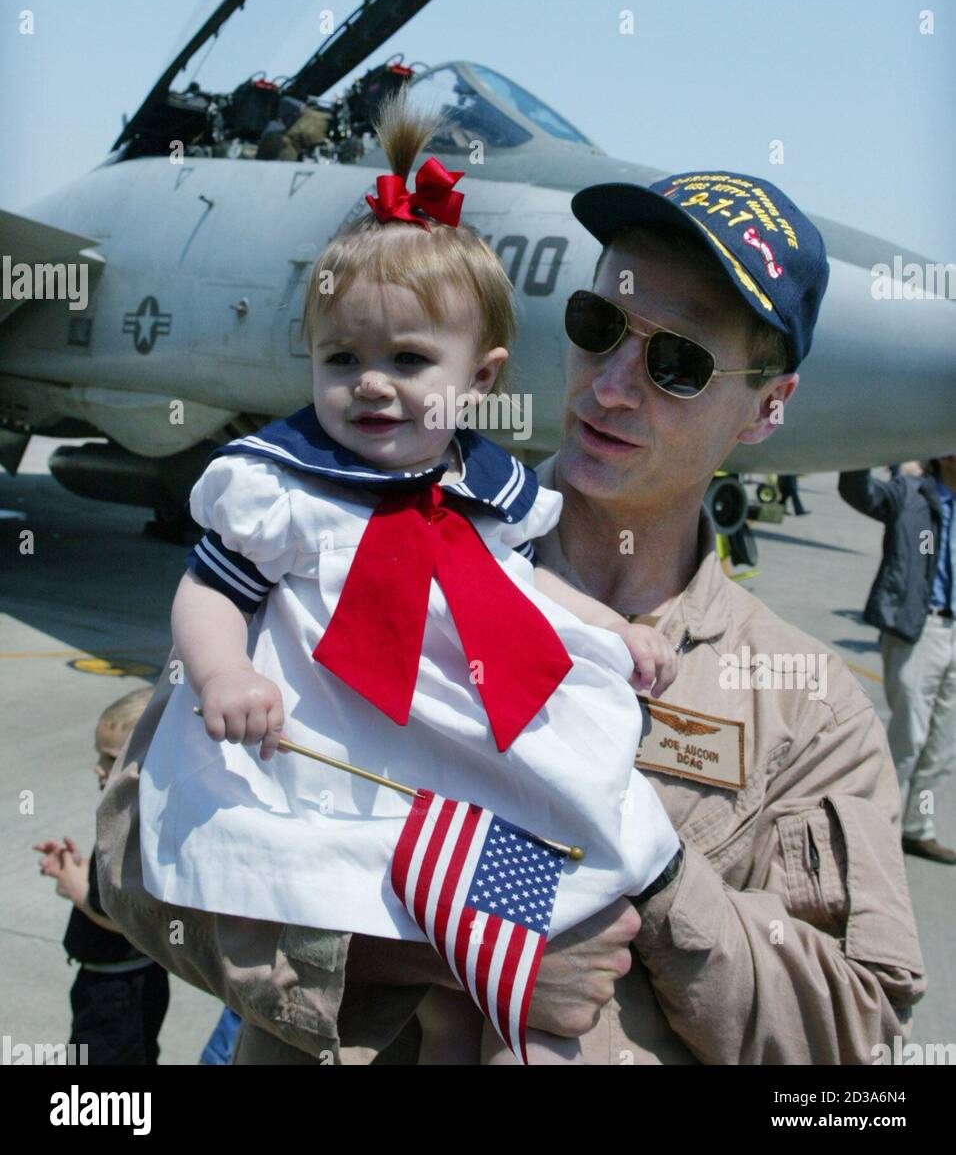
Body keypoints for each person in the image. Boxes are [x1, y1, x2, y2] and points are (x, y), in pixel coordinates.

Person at [97, 169, 927, 1065]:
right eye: (599, 326)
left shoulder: (805, 706)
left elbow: (852, 1029)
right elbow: (137, 854)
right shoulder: (355, 543)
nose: (610, 386)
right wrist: (456, 947)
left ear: (768, 407)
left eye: (677, 361)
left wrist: (654, 878)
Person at [134, 92, 682, 1063]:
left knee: (493, 996)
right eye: (342, 356)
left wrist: (611, 627)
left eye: (409, 358)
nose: (371, 382)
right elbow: (210, 587)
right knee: (302, 1007)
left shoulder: (484, 489)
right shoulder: (284, 488)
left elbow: (517, 589)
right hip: (327, 767)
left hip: (463, 774)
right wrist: (223, 674)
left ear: (481, 378)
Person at [35, 687, 169, 1065]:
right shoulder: (127, 815)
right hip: (118, 982)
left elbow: (131, 917)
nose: (98, 766)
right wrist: (77, 869)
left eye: (109, 758)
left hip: (119, 990)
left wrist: (77, 891)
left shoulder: (137, 827)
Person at [839, 455, 956, 863]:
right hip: (918, 630)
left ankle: (917, 827)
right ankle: (879, 831)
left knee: (942, 746)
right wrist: (869, 444)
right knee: (909, 738)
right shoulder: (910, 494)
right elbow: (858, 491)